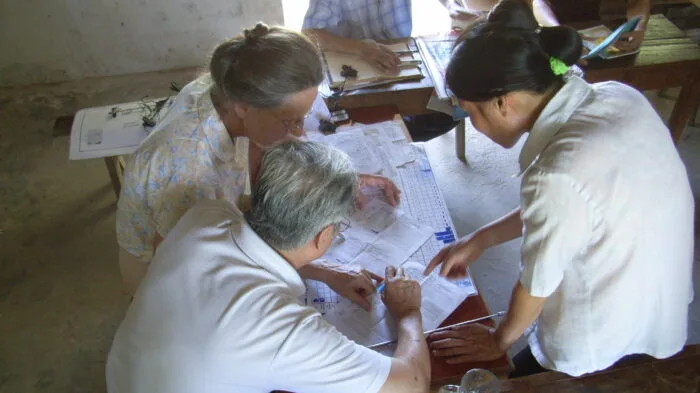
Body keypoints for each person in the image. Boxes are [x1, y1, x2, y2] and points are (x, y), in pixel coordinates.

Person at [423, 0, 693, 378]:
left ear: (503, 102)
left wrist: (499, 341)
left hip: (602, 332)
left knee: (513, 377)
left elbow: (538, 282)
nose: (474, 124)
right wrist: (481, 238)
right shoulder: (618, 95)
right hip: (659, 301)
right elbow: (573, 203)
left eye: (472, 113)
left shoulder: (555, 174)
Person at [106, 141, 430, 393]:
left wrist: (324, 271)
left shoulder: (206, 214)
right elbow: (411, 384)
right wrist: (407, 313)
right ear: (324, 234)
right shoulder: (280, 328)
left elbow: (252, 247)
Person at [116, 23, 400, 299]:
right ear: (243, 107)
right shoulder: (187, 169)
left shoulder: (235, 85)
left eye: (304, 117)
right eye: (290, 121)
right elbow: (194, 269)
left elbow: (267, 146)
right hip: (162, 272)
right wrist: (322, 269)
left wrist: (334, 180)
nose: (299, 133)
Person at [301, 0, 462, 141]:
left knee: (451, 109)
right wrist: (361, 48)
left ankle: (393, 135)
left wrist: (451, 4)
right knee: (351, 122)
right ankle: (387, 136)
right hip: (351, 66)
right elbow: (309, 34)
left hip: (398, 58)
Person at [457, 0, 651, 51]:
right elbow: (539, 4)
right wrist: (559, 32)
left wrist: (639, 26)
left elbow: (638, 1)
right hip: (543, 29)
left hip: (590, 28)